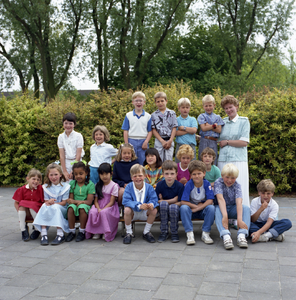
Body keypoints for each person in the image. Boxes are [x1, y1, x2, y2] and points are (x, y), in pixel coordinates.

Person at [218, 95, 250, 207]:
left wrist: (227, 142)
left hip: (238, 160)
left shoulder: (244, 121)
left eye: (230, 107)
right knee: (224, 190)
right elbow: (215, 137)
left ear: (236, 106)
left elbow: (243, 142)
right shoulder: (222, 122)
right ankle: (226, 218)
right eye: (226, 108)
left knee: (239, 188)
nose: (228, 110)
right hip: (223, 160)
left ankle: (241, 218)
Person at [214, 163, 250, 250]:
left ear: (236, 178)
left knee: (246, 208)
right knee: (217, 209)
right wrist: (225, 216)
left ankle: (241, 235)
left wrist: (240, 220)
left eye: (233, 178)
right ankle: (226, 235)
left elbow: (239, 202)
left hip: (233, 208)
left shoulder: (237, 185)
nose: (229, 180)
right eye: (227, 177)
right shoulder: (218, 182)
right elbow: (220, 199)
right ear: (222, 175)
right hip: (222, 207)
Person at [33, 163, 70, 246]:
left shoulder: (66, 186)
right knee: (44, 205)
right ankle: (44, 233)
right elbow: (46, 201)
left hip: (62, 209)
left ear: (60, 174)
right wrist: (49, 202)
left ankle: (60, 234)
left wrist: (53, 203)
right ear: (48, 175)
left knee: (55, 207)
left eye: (56, 174)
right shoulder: (46, 187)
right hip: (51, 207)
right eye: (51, 175)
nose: (53, 177)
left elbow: (64, 203)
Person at [180, 161, 215, 245]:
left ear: (204, 173)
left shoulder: (206, 184)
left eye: (199, 173)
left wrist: (199, 208)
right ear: (191, 175)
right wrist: (194, 207)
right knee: (183, 208)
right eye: (194, 174)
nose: (197, 176)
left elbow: (210, 200)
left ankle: (206, 233)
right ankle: (189, 233)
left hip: (202, 210)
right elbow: (183, 201)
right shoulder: (189, 184)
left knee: (211, 208)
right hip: (191, 211)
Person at [122, 164, 159, 244]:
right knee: (127, 210)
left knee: (154, 210)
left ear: (145, 176)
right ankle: (129, 233)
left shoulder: (149, 187)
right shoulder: (128, 187)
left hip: (145, 212)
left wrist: (151, 204)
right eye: (135, 176)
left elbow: (154, 199)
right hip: (133, 212)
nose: (138, 178)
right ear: (131, 177)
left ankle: (146, 232)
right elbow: (126, 201)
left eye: (140, 175)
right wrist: (138, 205)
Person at [85, 163, 120, 242]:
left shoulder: (114, 186)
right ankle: (96, 231)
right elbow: (96, 201)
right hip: (99, 205)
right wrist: (98, 208)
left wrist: (103, 209)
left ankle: (105, 231)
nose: (104, 176)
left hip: (110, 207)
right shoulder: (97, 185)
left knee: (104, 212)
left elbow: (112, 201)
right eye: (102, 174)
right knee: (92, 211)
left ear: (111, 174)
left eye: (106, 174)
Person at [66, 162, 95, 242]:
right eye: (76, 174)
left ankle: (82, 231)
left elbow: (89, 201)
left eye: (81, 173)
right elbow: (71, 200)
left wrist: (76, 201)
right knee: (71, 208)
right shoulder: (72, 183)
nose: (78, 176)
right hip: (75, 205)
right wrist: (74, 202)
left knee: (82, 208)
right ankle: (71, 231)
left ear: (86, 173)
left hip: (86, 205)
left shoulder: (90, 185)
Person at [155, 161, 184, 243]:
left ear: (176, 174)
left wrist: (165, 201)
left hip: (175, 210)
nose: (169, 176)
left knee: (172, 206)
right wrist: (173, 200)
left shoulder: (180, 186)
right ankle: (164, 231)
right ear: (163, 174)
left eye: (172, 173)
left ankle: (174, 232)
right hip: (163, 209)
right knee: (164, 204)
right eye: (167, 174)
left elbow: (181, 202)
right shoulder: (159, 185)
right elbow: (157, 201)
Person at [12, 169, 44, 241]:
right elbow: (16, 203)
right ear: (28, 179)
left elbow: (43, 202)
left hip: (36, 212)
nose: (36, 181)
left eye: (38, 180)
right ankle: (23, 229)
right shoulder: (22, 189)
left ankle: (37, 229)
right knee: (22, 204)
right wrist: (20, 212)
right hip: (26, 212)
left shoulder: (40, 189)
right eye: (33, 179)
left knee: (32, 206)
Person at [121, 91, 152, 165]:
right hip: (131, 141)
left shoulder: (148, 116)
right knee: (131, 161)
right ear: (133, 102)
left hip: (143, 142)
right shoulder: (128, 115)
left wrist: (146, 141)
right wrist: (126, 144)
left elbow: (150, 131)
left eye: (140, 100)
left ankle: (143, 176)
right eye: (136, 100)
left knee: (143, 161)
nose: (138, 103)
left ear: (144, 102)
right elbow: (125, 130)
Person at [197, 95, 224, 165]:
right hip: (204, 140)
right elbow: (203, 128)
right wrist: (214, 125)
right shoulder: (201, 116)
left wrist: (207, 125)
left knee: (213, 160)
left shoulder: (218, 117)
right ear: (203, 106)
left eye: (210, 105)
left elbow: (219, 130)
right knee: (202, 160)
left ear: (214, 105)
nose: (208, 108)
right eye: (206, 106)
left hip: (213, 141)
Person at [57, 112, 85, 181]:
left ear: (74, 124)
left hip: (77, 163)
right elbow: (62, 155)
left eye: (70, 123)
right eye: (66, 123)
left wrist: (73, 170)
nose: (68, 125)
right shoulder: (61, 137)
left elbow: (78, 154)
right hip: (66, 163)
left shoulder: (78, 136)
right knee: (65, 183)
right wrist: (65, 171)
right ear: (63, 124)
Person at [151, 92, 178, 161]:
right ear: (155, 103)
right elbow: (153, 129)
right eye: (158, 101)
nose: (160, 103)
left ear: (166, 101)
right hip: (159, 140)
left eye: (162, 101)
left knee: (168, 161)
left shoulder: (172, 113)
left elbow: (174, 127)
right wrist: (162, 141)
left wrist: (170, 140)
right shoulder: (153, 115)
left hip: (169, 140)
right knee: (158, 160)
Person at [175, 97, 198, 162]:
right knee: (178, 165)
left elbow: (194, 130)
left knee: (192, 165)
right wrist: (188, 130)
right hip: (180, 145)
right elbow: (175, 133)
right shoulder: (176, 120)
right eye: (183, 107)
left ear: (189, 108)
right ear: (179, 108)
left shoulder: (192, 119)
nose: (185, 109)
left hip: (191, 146)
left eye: (187, 107)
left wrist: (183, 128)